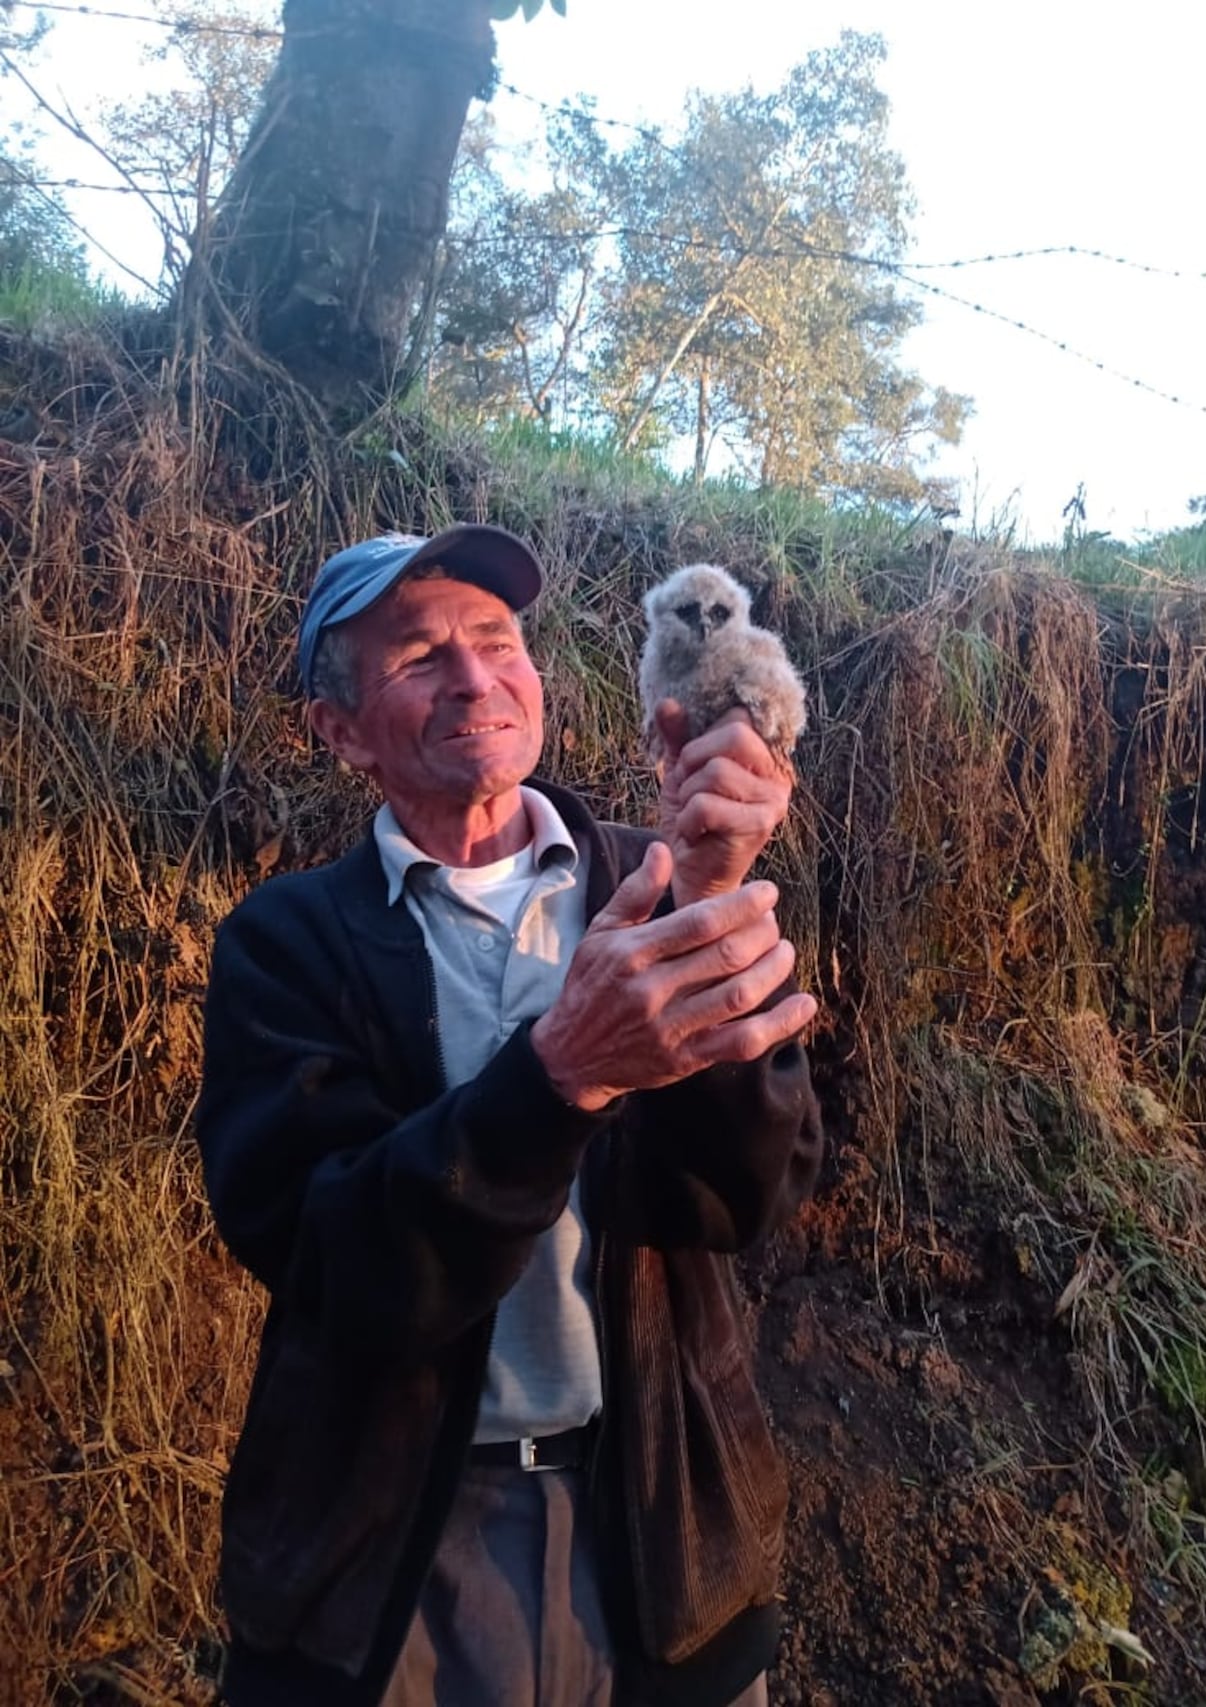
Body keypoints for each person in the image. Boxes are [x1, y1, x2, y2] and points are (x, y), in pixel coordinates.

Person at [196, 523, 824, 1707]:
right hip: (389, 1558)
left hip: (656, 1529)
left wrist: (709, 900)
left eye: (496, 640)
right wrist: (560, 1075)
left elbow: (751, 1199)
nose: (475, 676)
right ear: (338, 731)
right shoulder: (285, 945)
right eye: (418, 655)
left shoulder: (648, 879)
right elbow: (337, 1269)